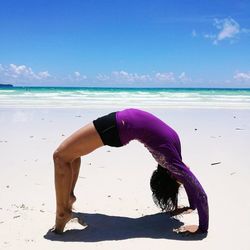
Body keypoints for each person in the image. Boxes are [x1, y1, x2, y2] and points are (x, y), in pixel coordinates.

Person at [51, 108, 209, 235]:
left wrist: (202, 228)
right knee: (70, 155)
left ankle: (62, 213)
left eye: (179, 179)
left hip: (119, 126)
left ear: (171, 176)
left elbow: (198, 189)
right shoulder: (174, 158)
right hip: (119, 122)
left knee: (60, 157)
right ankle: (69, 197)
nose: (187, 171)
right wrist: (192, 206)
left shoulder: (170, 162)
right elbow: (190, 184)